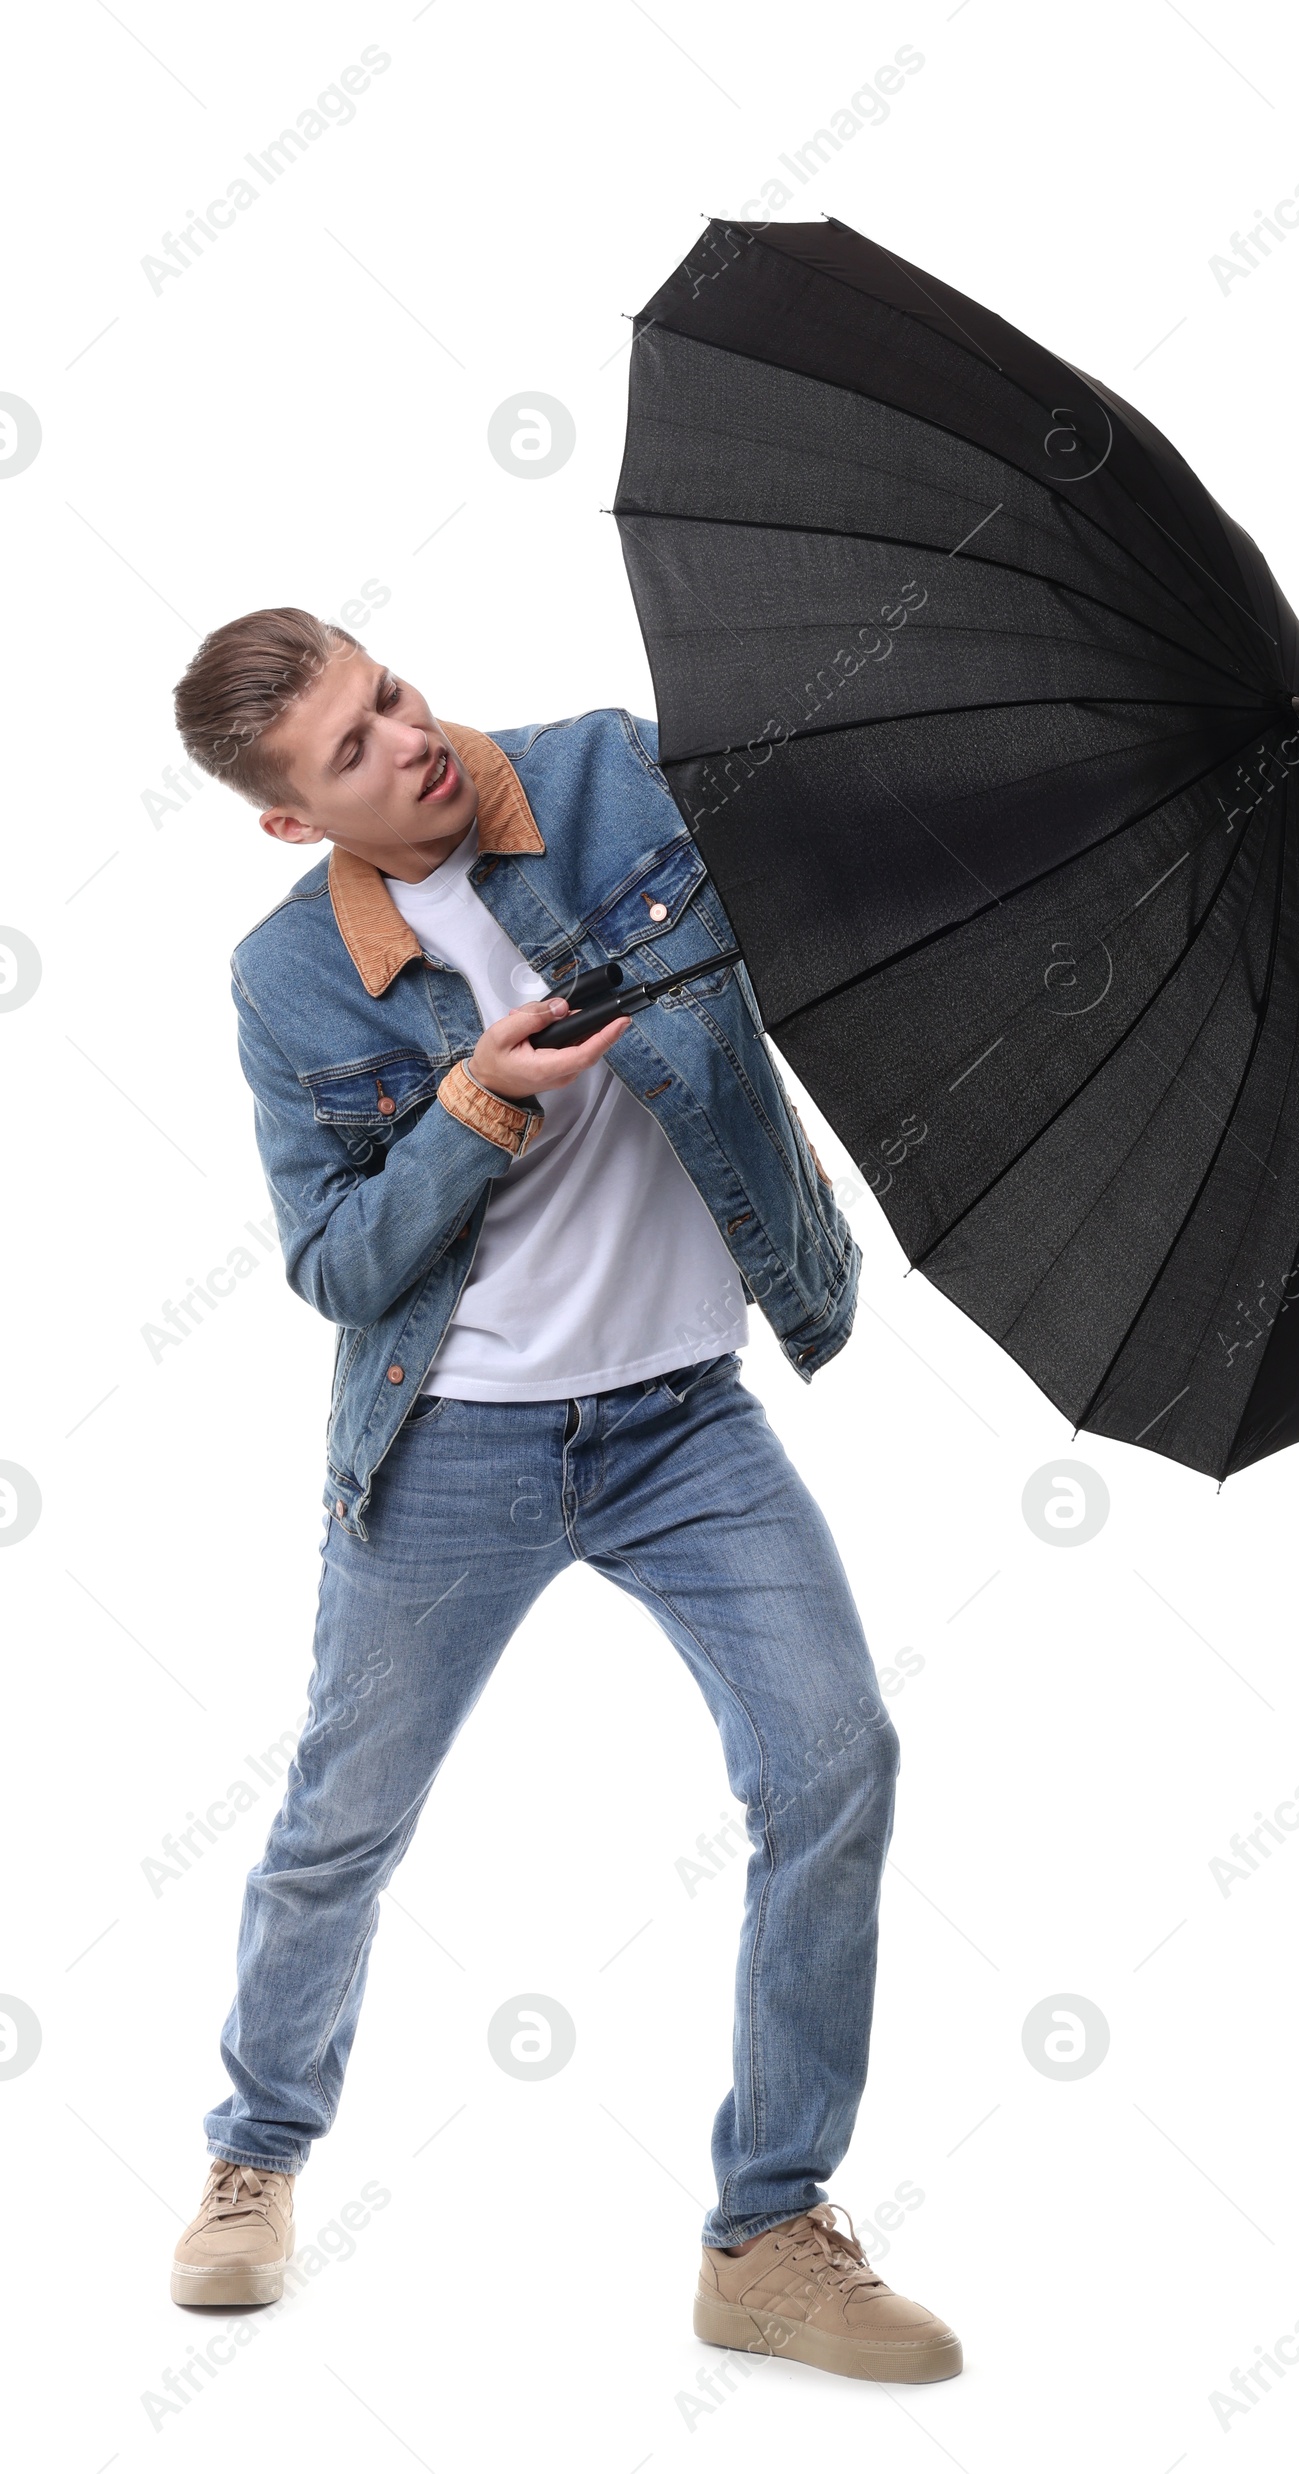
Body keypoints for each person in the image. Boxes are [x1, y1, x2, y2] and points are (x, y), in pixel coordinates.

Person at [162, 607, 961, 2385]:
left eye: (392, 694)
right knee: (342, 1820)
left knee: (835, 1760)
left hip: (683, 1416)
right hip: (457, 1437)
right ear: (295, 823)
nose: (409, 741)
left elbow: (834, 855)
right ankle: (255, 2155)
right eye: (351, 754)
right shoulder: (288, 979)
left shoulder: (611, 776)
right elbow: (338, 1262)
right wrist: (473, 1104)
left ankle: (767, 2228)